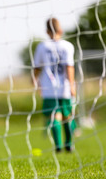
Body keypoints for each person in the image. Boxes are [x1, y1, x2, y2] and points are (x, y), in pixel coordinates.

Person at [33, 17, 77, 152]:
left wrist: (34, 80)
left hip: (48, 88)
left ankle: (58, 146)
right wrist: (72, 85)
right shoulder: (68, 46)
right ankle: (68, 144)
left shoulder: (42, 46)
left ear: (47, 31)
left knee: (54, 117)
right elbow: (69, 67)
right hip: (64, 87)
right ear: (61, 30)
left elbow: (37, 67)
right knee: (67, 116)